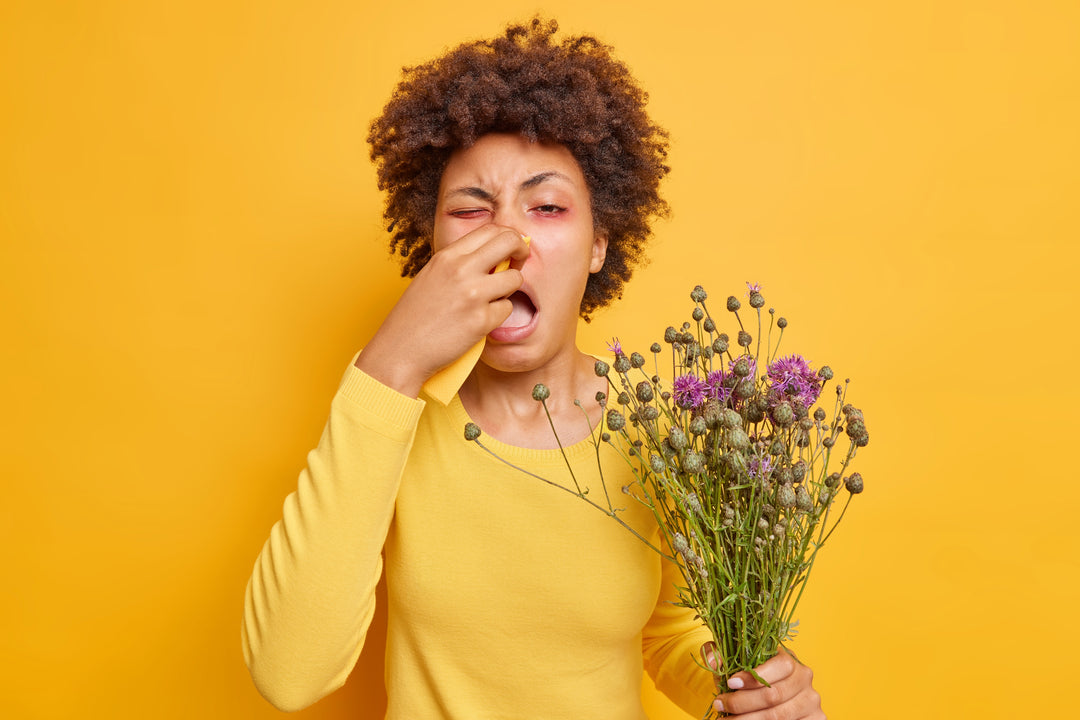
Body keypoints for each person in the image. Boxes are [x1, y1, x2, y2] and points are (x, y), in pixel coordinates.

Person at [242, 18, 824, 719]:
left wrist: (751, 695)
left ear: (599, 244)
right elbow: (289, 673)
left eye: (547, 207)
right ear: (432, 247)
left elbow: (671, 635)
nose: (508, 240)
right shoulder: (392, 402)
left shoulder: (661, 430)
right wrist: (389, 364)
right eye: (469, 209)